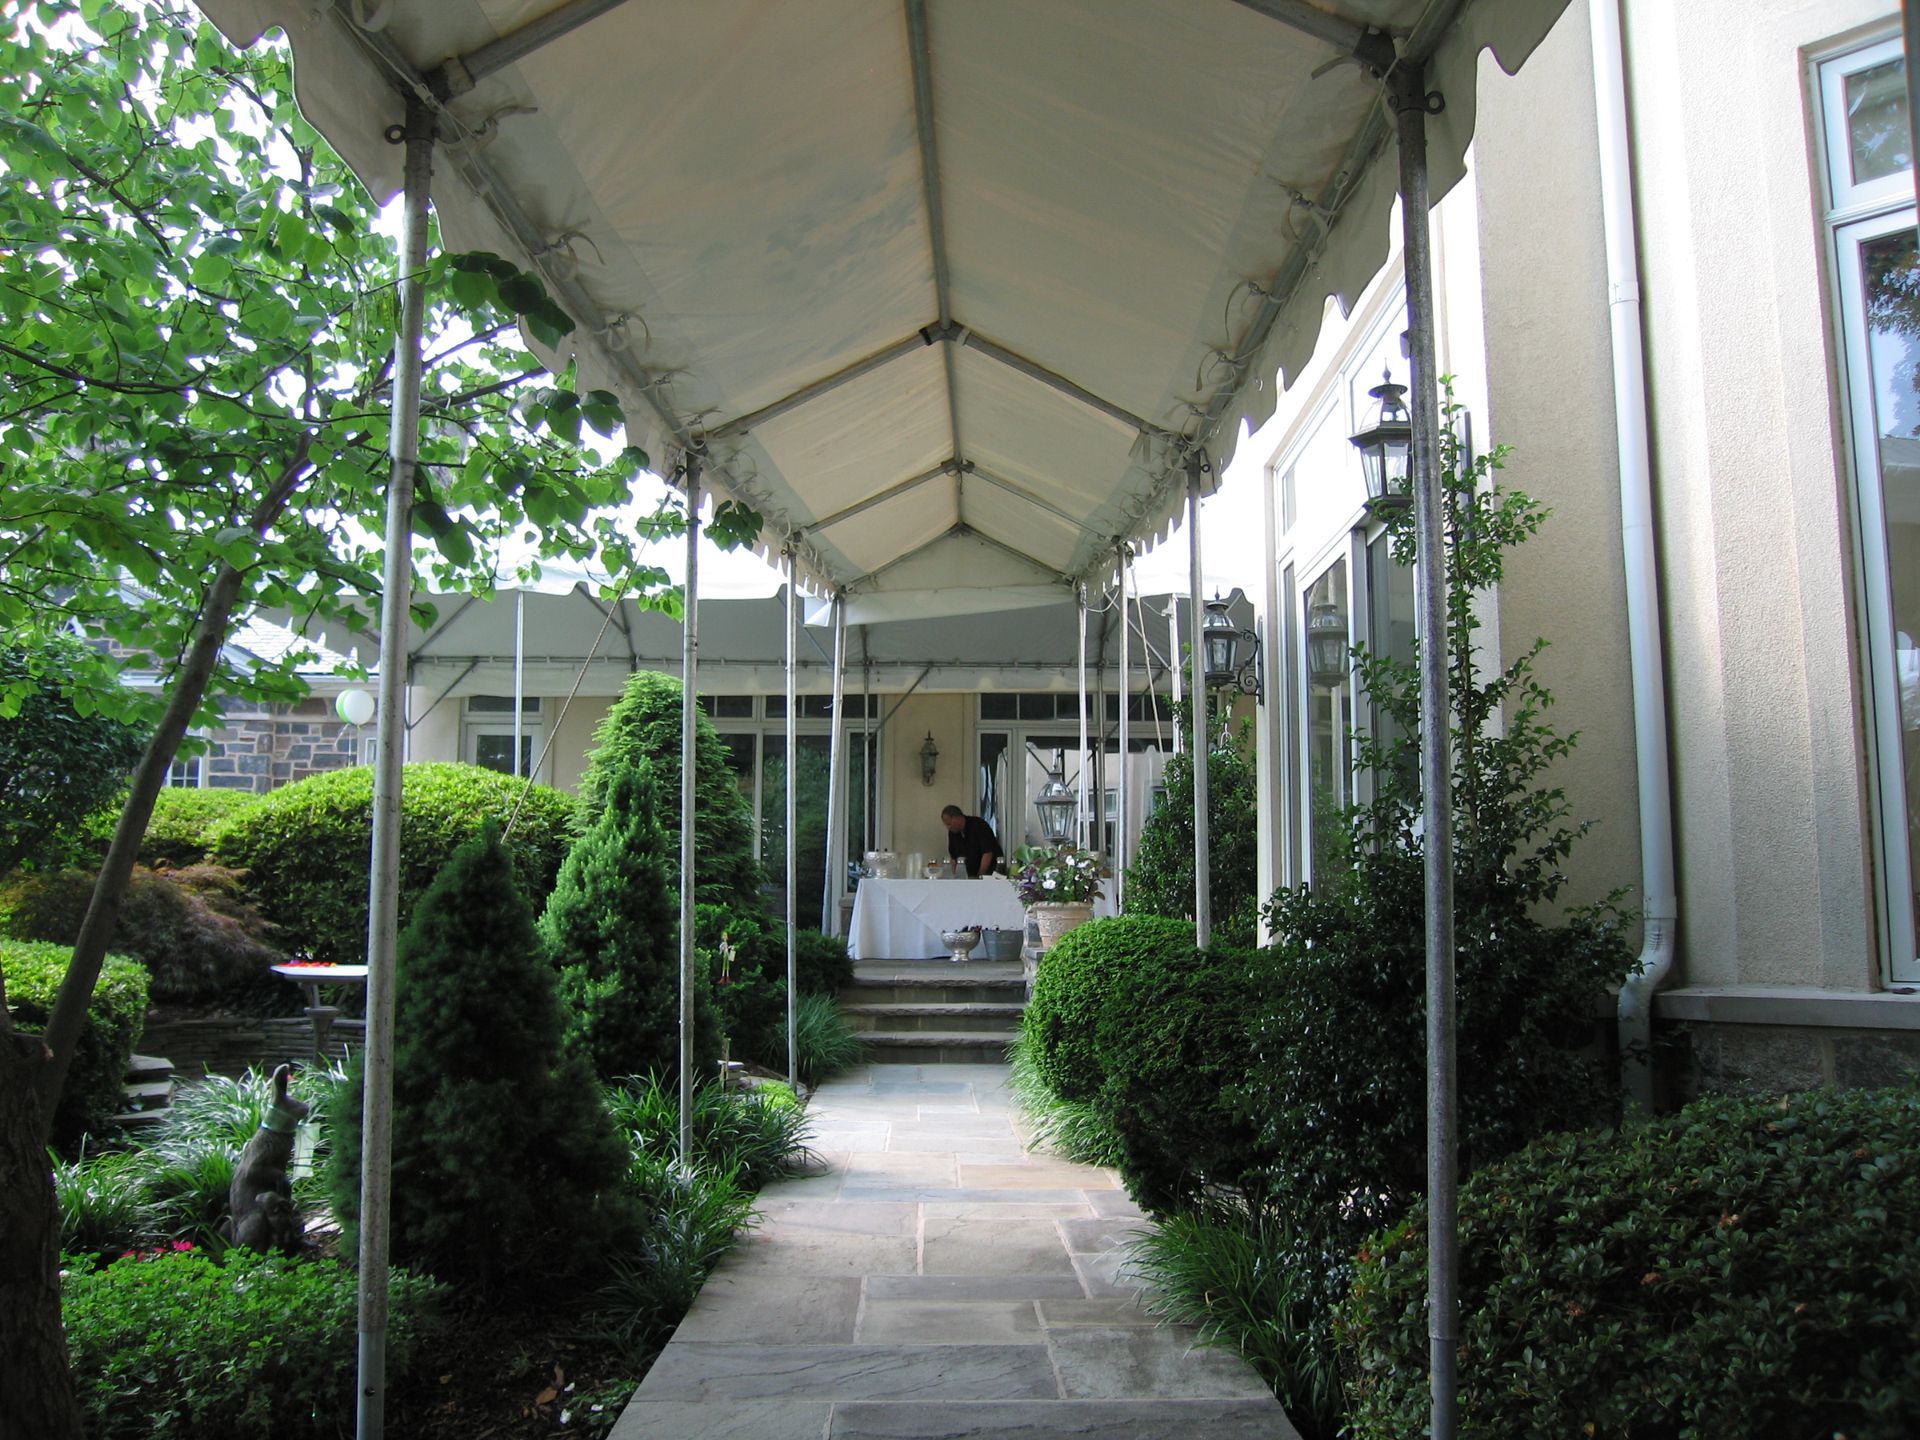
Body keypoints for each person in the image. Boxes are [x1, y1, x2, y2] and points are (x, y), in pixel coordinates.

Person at [940, 804, 1002, 877]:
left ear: (956, 818)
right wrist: (954, 876)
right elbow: (953, 857)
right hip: (967, 876)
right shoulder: (953, 833)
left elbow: (988, 853)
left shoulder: (979, 825)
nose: (948, 828)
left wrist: (980, 876)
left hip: (990, 875)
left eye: (949, 824)